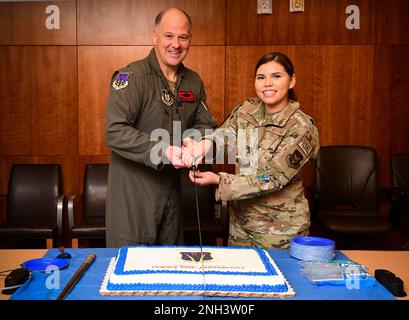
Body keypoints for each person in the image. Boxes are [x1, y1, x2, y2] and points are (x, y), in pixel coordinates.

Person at [183, 52, 320, 249]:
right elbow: (224, 135)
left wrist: (218, 180)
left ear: (292, 81)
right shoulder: (247, 111)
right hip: (240, 226)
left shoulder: (301, 127)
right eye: (261, 77)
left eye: (276, 76)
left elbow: (272, 178)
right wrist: (203, 145)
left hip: (278, 231)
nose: (268, 83)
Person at [105, 8, 216, 247]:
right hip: (133, 191)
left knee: (171, 263)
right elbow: (115, 131)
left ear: (190, 40)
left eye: (183, 37)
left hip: (172, 190)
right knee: (133, 267)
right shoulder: (131, 77)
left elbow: (205, 123)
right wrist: (164, 151)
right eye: (169, 36)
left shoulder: (193, 81)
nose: (176, 44)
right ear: (154, 36)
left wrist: (195, 141)